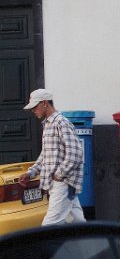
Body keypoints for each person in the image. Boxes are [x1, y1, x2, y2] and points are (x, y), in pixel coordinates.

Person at [19, 89, 86, 225]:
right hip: (63, 184)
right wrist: (31, 172)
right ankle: (95, 244)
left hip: (63, 183)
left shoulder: (61, 123)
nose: (33, 110)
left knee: (49, 225)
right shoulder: (48, 124)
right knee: (77, 223)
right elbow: (46, 155)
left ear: (44, 103)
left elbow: (76, 153)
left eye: (34, 106)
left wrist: (59, 174)